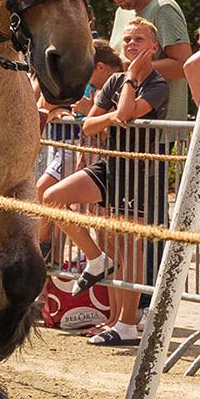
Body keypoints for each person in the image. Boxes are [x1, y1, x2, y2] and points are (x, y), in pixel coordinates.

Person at [49, 18, 170, 346]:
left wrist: (129, 84)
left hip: (138, 171)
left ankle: (125, 322)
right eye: (128, 39)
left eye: (139, 40)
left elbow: (128, 113)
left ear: (153, 48)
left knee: (128, 244)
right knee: (52, 198)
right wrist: (113, 114)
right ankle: (95, 260)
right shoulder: (115, 80)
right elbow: (88, 127)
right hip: (109, 164)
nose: (131, 44)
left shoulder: (156, 84)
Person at [36, 39, 121, 260]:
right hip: (83, 154)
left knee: (102, 223)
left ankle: (94, 262)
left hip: (101, 159)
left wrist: (90, 114)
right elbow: (45, 103)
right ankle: (46, 246)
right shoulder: (92, 86)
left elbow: (112, 129)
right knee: (50, 195)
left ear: (99, 67)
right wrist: (58, 111)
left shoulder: (117, 86)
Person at [99, 0, 193, 122]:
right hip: (124, 128)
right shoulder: (121, 12)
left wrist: (134, 70)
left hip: (158, 131)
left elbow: (184, 65)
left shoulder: (164, 9)